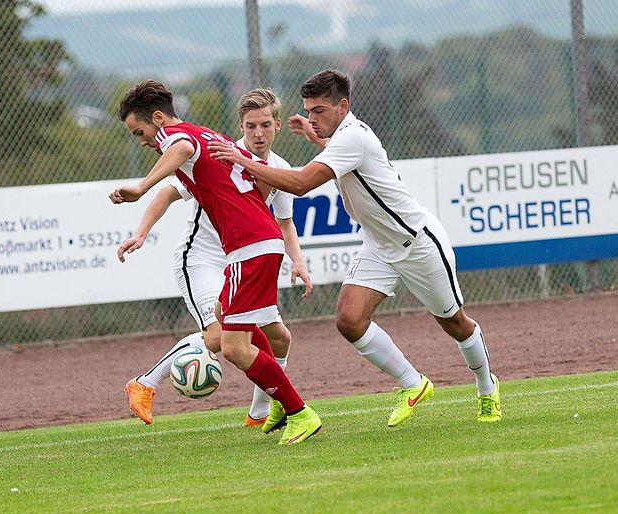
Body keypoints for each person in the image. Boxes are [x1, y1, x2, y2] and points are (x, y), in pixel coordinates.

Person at [208, 70, 501, 425]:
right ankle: (413, 383)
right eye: (309, 111)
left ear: (342, 106)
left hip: (417, 242)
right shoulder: (343, 139)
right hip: (379, 244)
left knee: (455, 324)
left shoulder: (353, 138)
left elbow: (301, 184)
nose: (313, 118)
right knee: (349, 320)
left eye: (319, 111)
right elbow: (340, 157)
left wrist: (241, 160)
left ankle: (487, 387)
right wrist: (317, 138)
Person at [110, 80, 322, 445]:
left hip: (248, 247)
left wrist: (140, 187)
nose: (142, 139)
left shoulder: (177, 136)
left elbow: (178, 148)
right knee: (244, 328)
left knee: (232, 345)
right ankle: (279, 408)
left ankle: (297, 411)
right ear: (241, 127)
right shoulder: (212, 137)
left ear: (158, 119)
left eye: (140, 131)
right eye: (251, 125)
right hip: (252, 247)